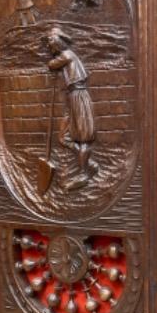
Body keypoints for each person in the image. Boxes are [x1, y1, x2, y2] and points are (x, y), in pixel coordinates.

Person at [46, 26, 98, 190]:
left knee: (83, 137)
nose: (49, 47)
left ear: (58, 43)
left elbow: (52, 64)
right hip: (72, 96)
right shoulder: (67, 55)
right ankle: (88, 162)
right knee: (64, 138)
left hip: (78, 96)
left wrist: (53, 58)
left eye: (51, 43)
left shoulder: (67, 55)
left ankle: (83, 173)